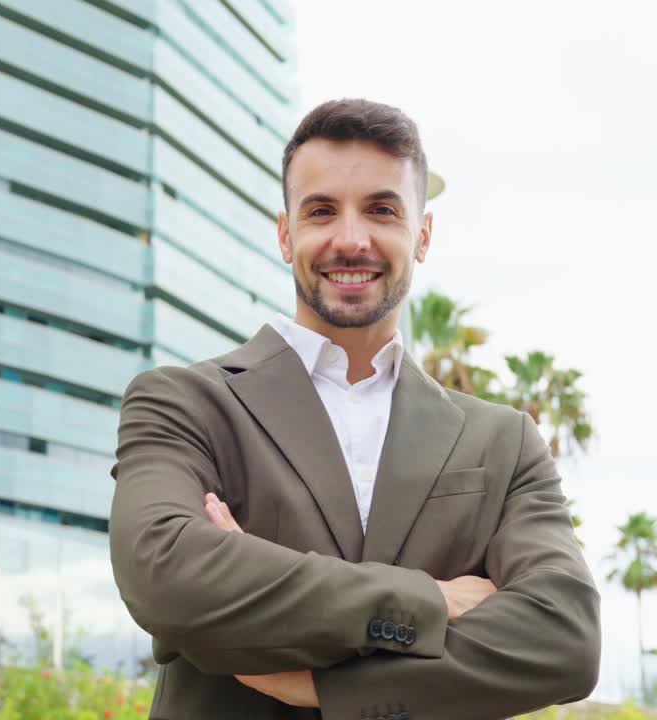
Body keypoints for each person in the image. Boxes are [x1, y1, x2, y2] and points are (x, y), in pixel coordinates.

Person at [110, 98, 600, 720]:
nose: (349, 239)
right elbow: (166, 573)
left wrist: (320, 686)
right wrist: (430, 601)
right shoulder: (184, 402)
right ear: (285, 235)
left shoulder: (504, 442)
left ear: (422, 236)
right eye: (321, 211)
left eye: (382, 210)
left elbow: (564, 637)